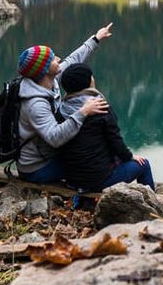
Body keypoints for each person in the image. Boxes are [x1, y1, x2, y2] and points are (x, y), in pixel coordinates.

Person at [15, 24, 113, 183]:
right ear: (45, 69)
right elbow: (55, 138)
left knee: (92, 153)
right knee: (93, 163)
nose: (58, 59)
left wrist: (96, 38)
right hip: (37, 167)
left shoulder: (48, 80)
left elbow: (73, 59)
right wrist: (83, 111)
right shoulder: (35, 104)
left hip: (47, 154)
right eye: (53, 59)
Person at [56, 62, 155, 191]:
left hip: (72, 179)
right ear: (89, 81)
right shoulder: (100, 108)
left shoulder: (62, 109)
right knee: (144, 164)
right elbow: (115, 141)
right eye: (91, 76)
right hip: (98, 179)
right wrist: (130, 156)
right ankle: (151, 201)